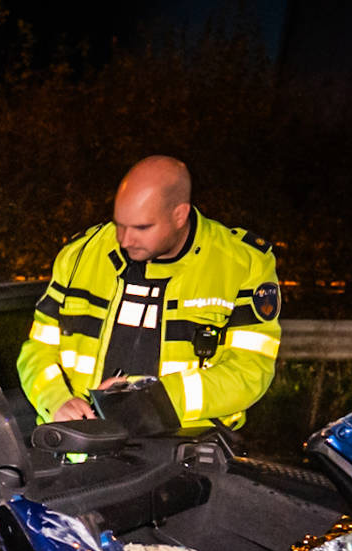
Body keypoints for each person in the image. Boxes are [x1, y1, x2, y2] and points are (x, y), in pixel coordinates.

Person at [16, 156, 282, 433]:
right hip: (81, 452)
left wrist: (151, 398)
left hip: (184, 455)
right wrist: (56, 400)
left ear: (179, 215)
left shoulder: (242, 263)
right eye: (119, 223)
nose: (124, 239)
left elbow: (250, 372)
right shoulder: (80, 254)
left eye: (142, 228)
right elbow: (37, 349)